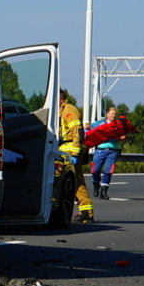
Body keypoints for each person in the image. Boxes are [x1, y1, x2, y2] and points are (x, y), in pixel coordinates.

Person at [59, 89, 93, 223]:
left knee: (76, 182)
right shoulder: (62, 111)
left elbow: (77, 132)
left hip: (70, 150)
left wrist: (75, 152)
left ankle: (86, 212)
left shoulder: (69, 110)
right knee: (76, 182)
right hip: (65, 149)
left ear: (61, 99)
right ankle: (86, 212)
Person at [88, 107, 126, 200]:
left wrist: (116, 138)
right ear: (107, 114)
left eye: (115, 114)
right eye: (112, 114)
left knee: (108, 171)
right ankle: (96, 183)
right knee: (95, 169)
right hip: (100, 149)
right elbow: (88, 128)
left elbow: (123, 136)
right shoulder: (99, 124)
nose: (113, 116)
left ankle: (104, 191)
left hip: (113, 150)